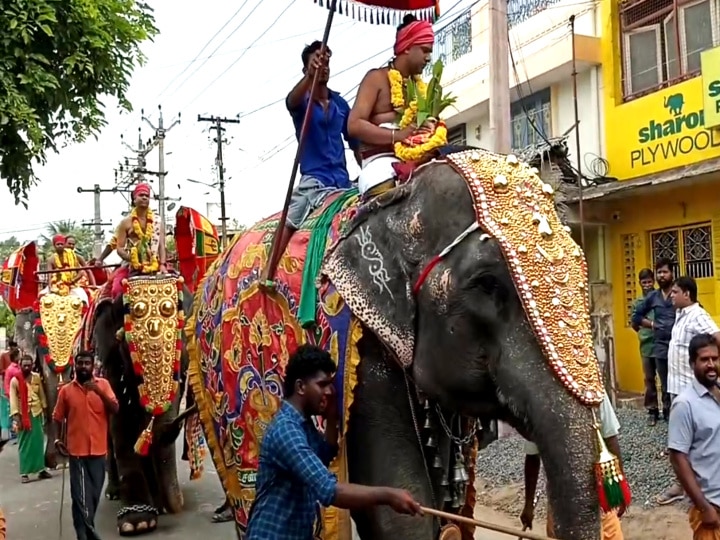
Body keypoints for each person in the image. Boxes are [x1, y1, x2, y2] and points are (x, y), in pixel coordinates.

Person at [245, 344, 422, 539]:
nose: (329, 392)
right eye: (322, 384)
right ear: (301, 387)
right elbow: (329, 490)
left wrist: (331, 417)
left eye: (330, 385)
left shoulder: (303, 424)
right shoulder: (286, 431)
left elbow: (325, 454)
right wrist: (389, 496)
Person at [260, 41, 359, 284]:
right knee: (291, 218)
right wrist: (310, 77)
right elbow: (290, 101)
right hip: (314, 180)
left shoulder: (341, 105)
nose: (323, 65)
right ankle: (268, 272)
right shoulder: (301, 102)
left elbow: (355, 141)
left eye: (326, 61)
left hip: (342, 181)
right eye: (317, 60)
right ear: (306, 68)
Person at [348, 14, 435, 197]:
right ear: (406, 48)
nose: (428, 58)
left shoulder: (422, 90)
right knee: (383, 187)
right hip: (380, 163)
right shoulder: (376, 79)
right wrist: (398, 135)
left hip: (417, 160)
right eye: (425, 50)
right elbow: (354, 125)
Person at [520, 393, 625, 539]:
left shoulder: (591, 384)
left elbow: (610, 437)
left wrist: (619, 486)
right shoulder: (537, 397)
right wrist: (528, 504)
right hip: (563, 503)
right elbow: (532, 457)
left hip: (596, 497)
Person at [53, 350, 118, 540]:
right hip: (77, 452)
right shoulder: (66, 391)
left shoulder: (103, 385)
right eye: (80, 363)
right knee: (81, 496)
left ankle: (83, 530)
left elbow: (115, 408)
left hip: (99, 451)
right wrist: (57, 439)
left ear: (92, 366)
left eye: (86, 363)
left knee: (93, 496)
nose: (83, 367)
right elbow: (57, 417)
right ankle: (87, 535)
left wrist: (98, 392)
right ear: (75, 365)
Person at [667, 333, 720, 539]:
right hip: (712, 507)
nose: (711, 364)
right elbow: (678, 458)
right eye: (704, 359)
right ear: (692, 363)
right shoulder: (685, 404)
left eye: (714, 359)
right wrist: (703, 506)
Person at [632, 257, 676, 425]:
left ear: (672, 273)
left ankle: (671, 411)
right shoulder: (653, 298)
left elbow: (694, 308)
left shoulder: (678, 292)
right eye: (659, 272)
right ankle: (657, 412)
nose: (662, 275)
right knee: (657, 380)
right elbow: (636, 318)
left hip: (677, 346)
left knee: (674, 381)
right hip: (657, 346)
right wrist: (652, 325)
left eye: (665, 272)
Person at [112, 183, 161, 298]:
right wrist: (133, 259)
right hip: (130, 264)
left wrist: (162, 264)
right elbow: (119, 248)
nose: (144, 197)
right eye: (141, 195)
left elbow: (161, 245)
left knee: (178, 285)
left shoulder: (157, 221)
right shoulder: (125, 222)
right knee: (117, 290)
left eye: (147, 196)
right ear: (134, 199)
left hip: (155, 262)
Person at [9, 354, 52, 483]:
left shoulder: (36, 377)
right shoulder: (15, 380)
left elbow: (42, 395)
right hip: (23, 416)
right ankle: (25, 473)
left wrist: (45, 410)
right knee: (24, 444)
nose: (27, 367)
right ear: (20, 365)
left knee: (39, 443)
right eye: (24, 365)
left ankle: (41, 470)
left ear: (32, 365)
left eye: (29, 365)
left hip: (36, 412)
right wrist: (16, 417)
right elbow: (13, 400)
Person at [633, 269, 657, 425]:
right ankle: (652, 410)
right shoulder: (638, 303)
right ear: (640, 283)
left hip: (662, 344)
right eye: (644, 282)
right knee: (649, 379)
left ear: (653, 281)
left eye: (649, 281)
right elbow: (635, 323)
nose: (647, 285)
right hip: (646, 345)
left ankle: (668, 409)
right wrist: (646, 331)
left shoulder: (660, 297)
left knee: (667, 377)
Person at [45, 234, 90, 303]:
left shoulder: (72, 255)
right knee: (44, 298)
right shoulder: (51, 259)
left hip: (73, 284)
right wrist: (50, 286)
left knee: (82, 298)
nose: (60, 246)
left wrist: (73, 281)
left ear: (64, 245)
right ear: (54, 246)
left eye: (61, 244)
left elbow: (80, 272)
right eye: (58, 244)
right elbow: (49, 274)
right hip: (57, 285)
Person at [0, 340, 18, 440]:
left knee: (15, 407)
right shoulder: (4, 356)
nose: (13, 349)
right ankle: (11, 432)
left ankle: (15, 432)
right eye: (11, 347)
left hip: (16, 385)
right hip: (7, 385)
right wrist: (9, 370)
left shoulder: (18, 355)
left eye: (14, 347)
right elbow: (0, 370)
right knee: (8, 408)